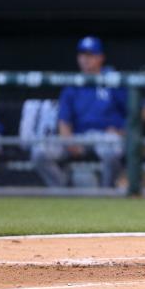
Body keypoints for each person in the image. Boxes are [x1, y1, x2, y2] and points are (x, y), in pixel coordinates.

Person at [32, 37, 127, 188]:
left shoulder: (112, 79)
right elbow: (64, 121)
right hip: (78, 136)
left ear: (100, 57)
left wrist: (123, 131)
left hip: (105, 136)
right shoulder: (72, 84)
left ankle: (107, 192)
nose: (85, 59)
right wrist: (68, 140)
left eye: (90, 55)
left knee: (112, 148)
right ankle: (64, 189)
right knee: (39, 152)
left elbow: (141, 111)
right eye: (82, 55)